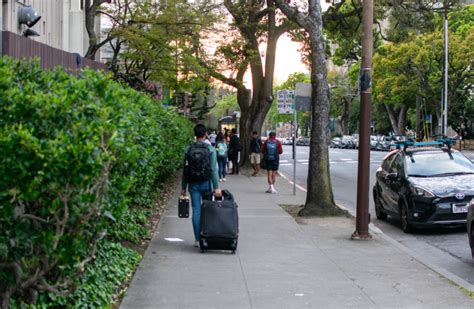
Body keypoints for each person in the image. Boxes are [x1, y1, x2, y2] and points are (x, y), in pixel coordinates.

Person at [181, 124, 221, 248]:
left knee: (196, 210)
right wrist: (216, 187)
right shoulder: (210, 150)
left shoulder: (188, 149)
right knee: (208, 210)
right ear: (205, 135)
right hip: (206, 184)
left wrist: (183, 187)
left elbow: (185, 170)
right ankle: (207, 235)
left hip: (193, 184)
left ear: (195, 134)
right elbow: (214, 170)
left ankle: (197, 240)